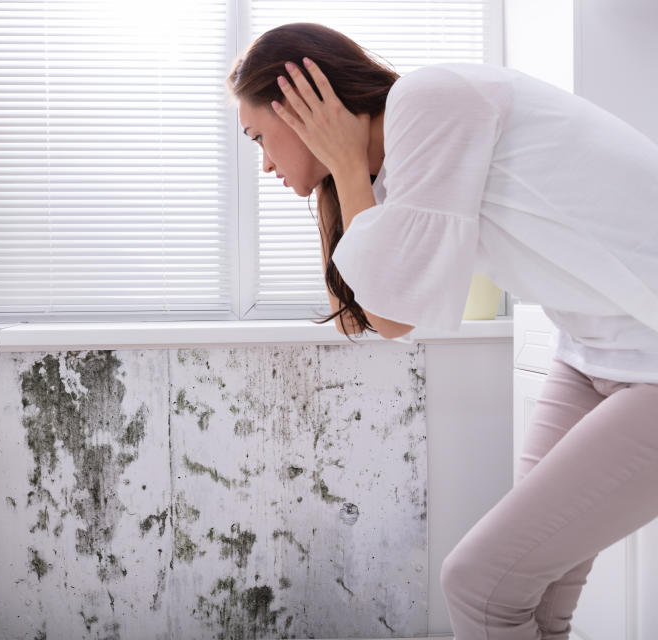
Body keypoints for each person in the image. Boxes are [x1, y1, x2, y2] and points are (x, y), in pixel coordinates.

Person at [227, 22, 658, 639]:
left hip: (648, 356)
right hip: (593, 351)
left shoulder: (429, 103)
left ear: (301, 109)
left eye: (259, 137)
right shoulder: (394, 174)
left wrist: (347, 166)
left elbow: (396, 314)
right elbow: (373, 316)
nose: (265, 163)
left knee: (479, 584)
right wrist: (349, 175)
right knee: (532, 598)